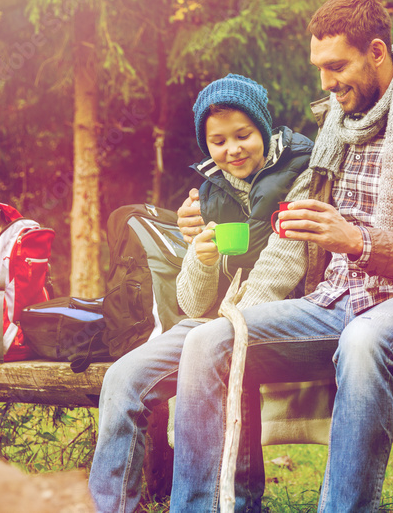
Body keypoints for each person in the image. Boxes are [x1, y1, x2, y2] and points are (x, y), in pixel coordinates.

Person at [169, 0, 393, 512]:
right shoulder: (335, 121)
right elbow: (293, 235)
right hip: (332, 297)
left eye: (336, 66)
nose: (326, 83)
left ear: (376, 52)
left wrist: (358, 241)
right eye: (320, 68)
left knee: (360, 342)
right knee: (207, 342)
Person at [88, 74, 313, 513]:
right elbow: (191, 303)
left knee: (211, 348)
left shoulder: (301, 168)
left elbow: (283, 265)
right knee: (122, 378)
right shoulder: (210, 191)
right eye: (218, 141)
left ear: (264, 128)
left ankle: (206, 505)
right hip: (216, 321)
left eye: (243, 135)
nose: (232, 150)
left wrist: (226, 328)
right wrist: (201, 258)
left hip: (287, 316)